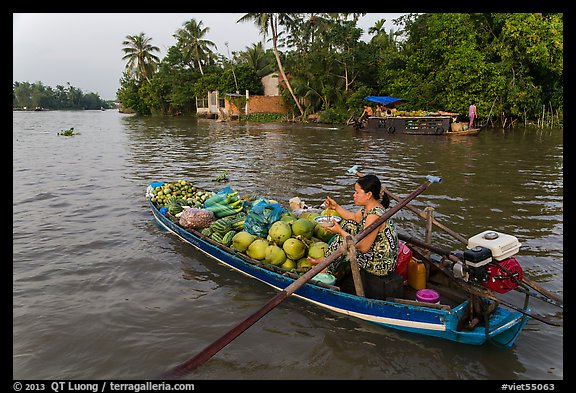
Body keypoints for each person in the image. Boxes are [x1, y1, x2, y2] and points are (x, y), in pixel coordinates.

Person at [309, 174, 399, 299]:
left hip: (379, 264)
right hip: (374, 255)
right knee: (350, 225)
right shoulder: (369, 208)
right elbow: (354, 218)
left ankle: (327, 267)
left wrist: (339, 231)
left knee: (345, 235)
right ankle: (327, 262)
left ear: (368, 195)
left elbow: (363, 247)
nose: (354, 195)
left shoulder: (374, 215)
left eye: (357, 192)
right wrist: (336, 207)